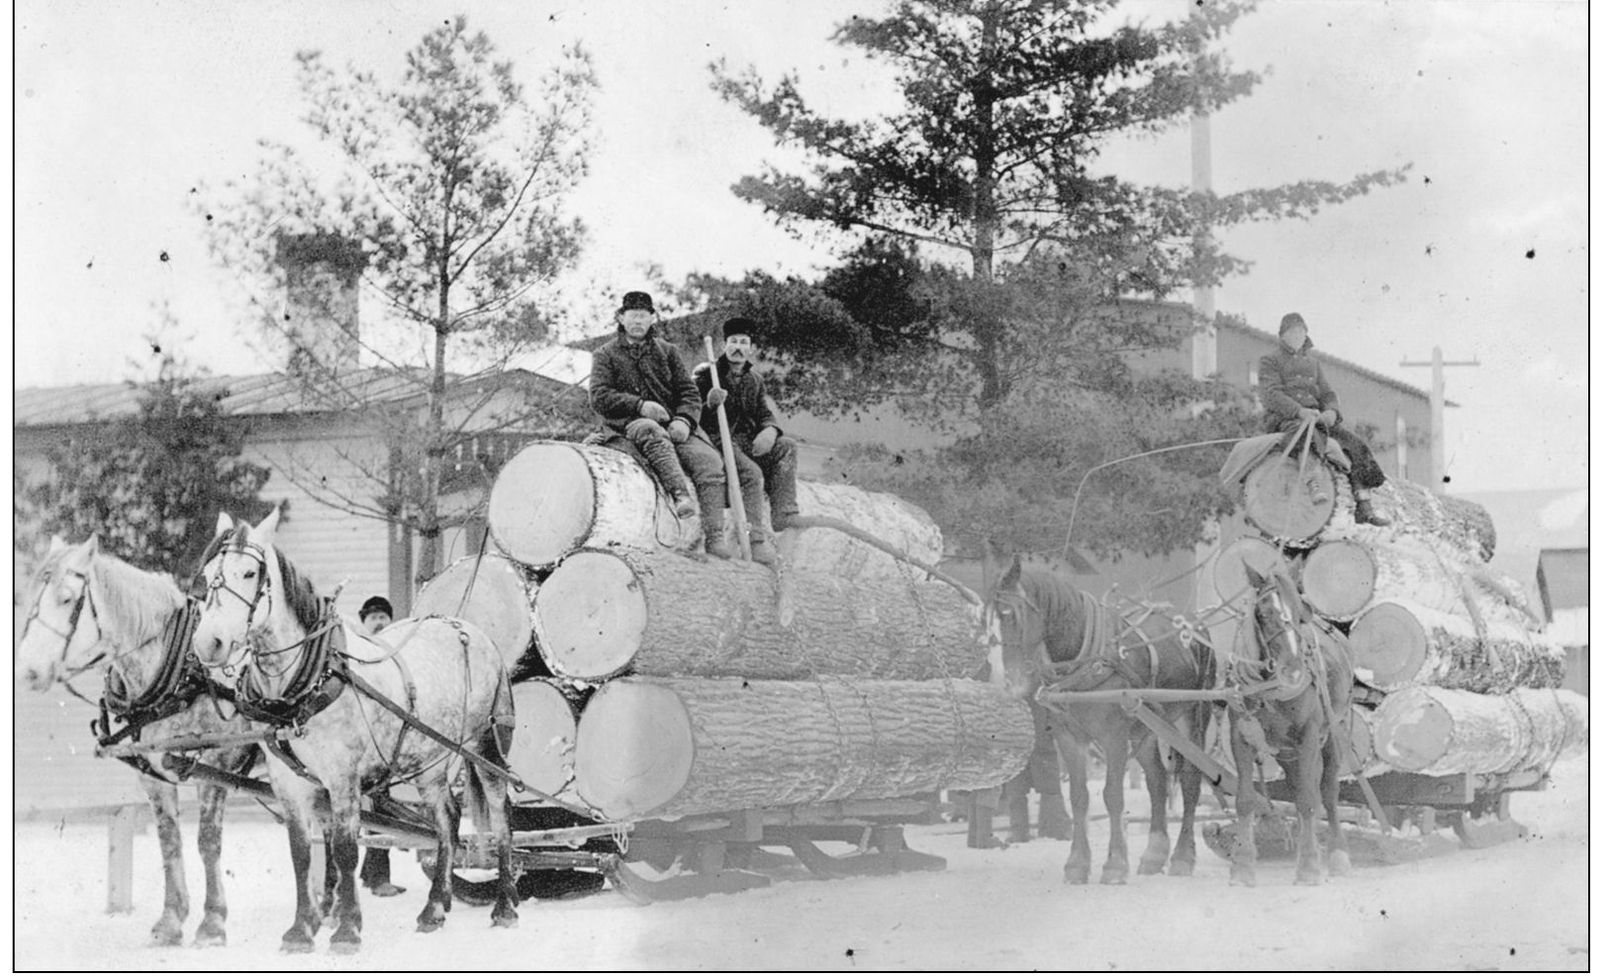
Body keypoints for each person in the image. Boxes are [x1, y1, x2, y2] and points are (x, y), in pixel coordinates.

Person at [590, 291, 773, 563]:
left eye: (644, 315)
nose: (638, 321)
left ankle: (715, 538)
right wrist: (640, 405)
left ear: (653, 318)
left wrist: (684, 420)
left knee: (710, 461)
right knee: (652, 432)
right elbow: (599, 396)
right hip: (627, 424)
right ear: (621, 317)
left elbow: (688, 392)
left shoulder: (668, 352)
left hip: (674, 425)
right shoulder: (605, 354)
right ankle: (680, 496)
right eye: (632, 315)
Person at [1259, 312, 1391, 526]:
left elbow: (1328, 394)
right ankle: (1313, 482)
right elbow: (1271, 394)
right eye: (1292, 332)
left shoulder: (1313, 363)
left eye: (1302, 331)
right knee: (1306, 437)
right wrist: (1299, 411)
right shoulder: (1270, 361)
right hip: (1286, 417)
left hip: (1316, 416)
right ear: (1282, 335)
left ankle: (1364, 505)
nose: (1297, 336)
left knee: (1354, 444)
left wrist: (1331, 412)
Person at [693, 318, 800, 537]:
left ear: (750, 349)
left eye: (744, 342)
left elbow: (764, 413)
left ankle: (784, 512)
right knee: (753, 474)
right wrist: (710, 403)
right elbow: (690, 411)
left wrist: (770, 430)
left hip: (745, 441)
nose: (738, 347)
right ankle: (755, 537)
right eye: (733, 341)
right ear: (725, 346)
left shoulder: (755, 380)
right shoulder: (707, 374)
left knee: (787, 446)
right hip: (716, 440)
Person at [355, 595, 406, 897]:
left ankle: (372, 875)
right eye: (372, 616)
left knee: (379, 809)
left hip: (384, 742)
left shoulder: (392, 653)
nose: (378, 621)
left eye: (383, 616)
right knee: (377, 810)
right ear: (363, 622)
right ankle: (377, 879)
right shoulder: (356, 651)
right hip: (361, 743)